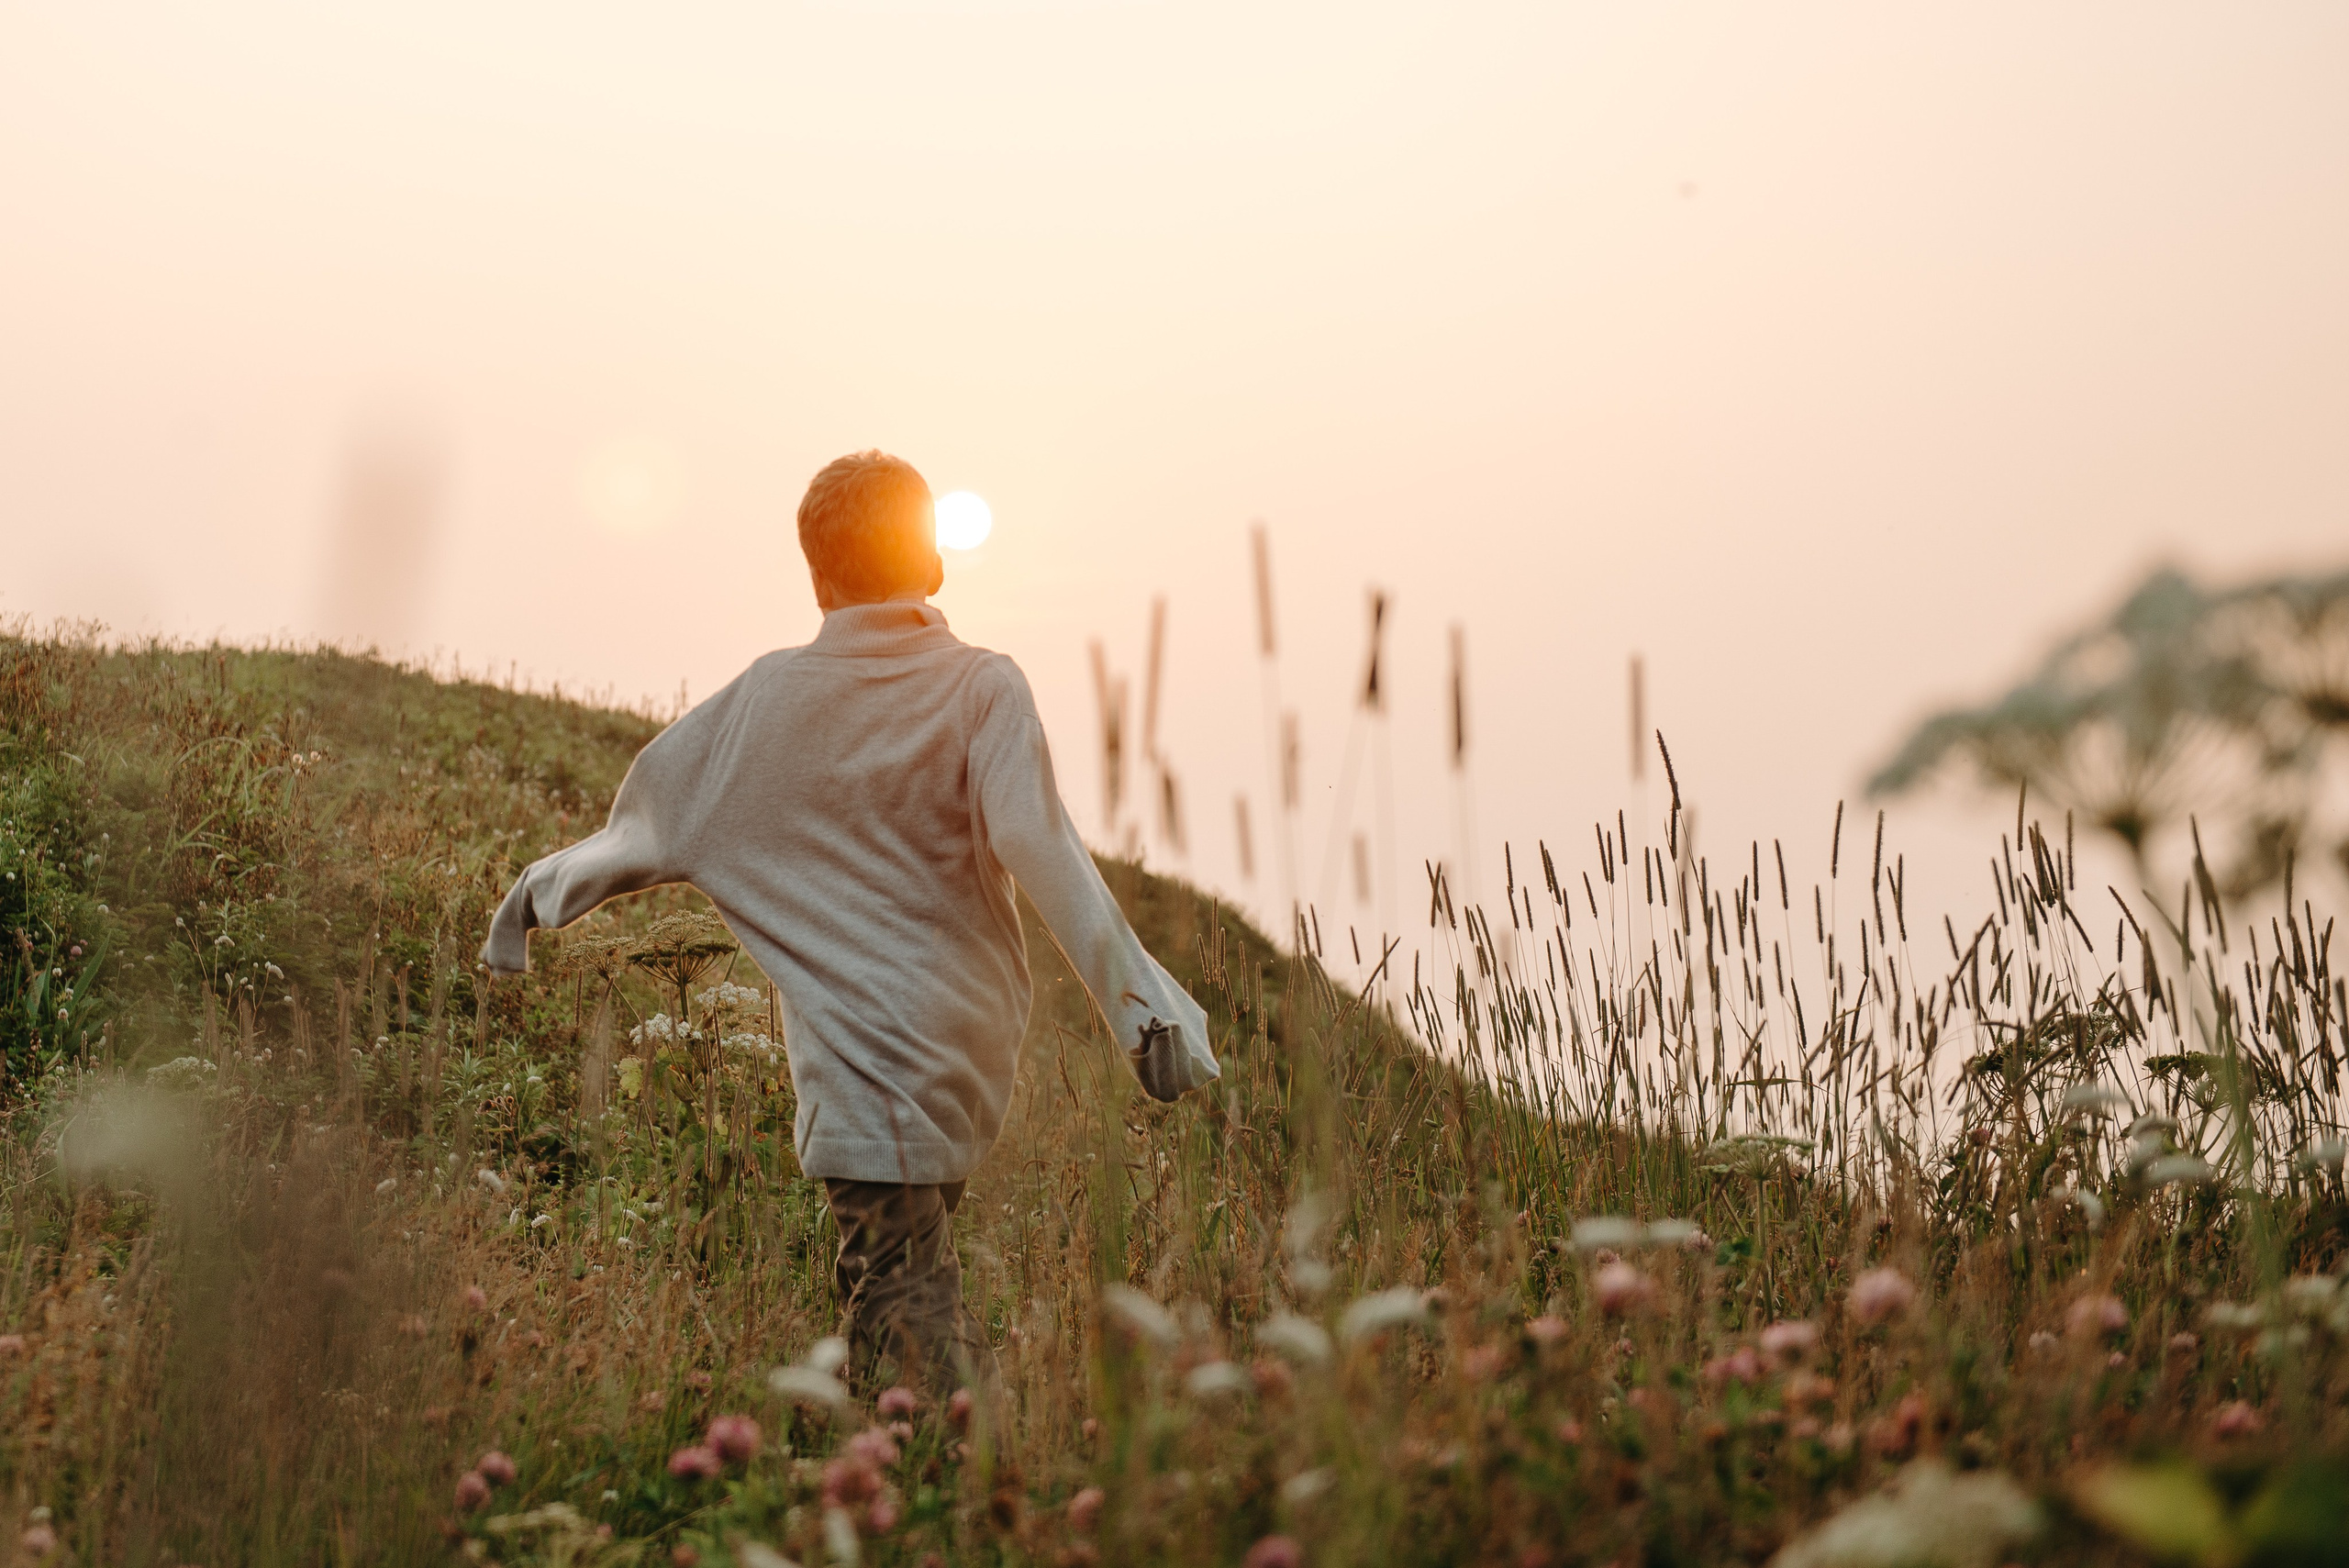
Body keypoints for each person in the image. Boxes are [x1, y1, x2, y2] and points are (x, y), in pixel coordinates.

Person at [480, 450, 1217, 1395]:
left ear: (817, 575)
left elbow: (644, 827)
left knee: (902, 1304)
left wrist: (523, 910)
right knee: (895, 1287)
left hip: (858, 1076)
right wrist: (1140, 1010)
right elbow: (1045, 846)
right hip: (962, 1062)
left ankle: (940, 1474)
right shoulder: (985, 686)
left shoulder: (762, 702)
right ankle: (901, 1468)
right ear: (936, 563)